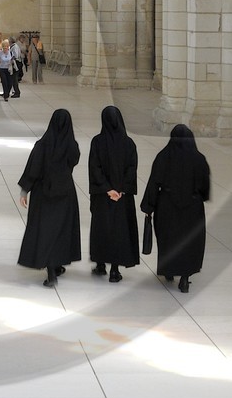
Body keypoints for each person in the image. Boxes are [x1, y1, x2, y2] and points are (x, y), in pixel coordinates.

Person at [141, 124, 212, 293]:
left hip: (167, 206)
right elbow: (205, 186)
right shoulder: (199, 159)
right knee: (189, 241)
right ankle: (185, 278)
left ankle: (170, 270)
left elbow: (154, 183)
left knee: (169, 239)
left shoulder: (163, 157)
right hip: (192, 208)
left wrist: (149, 206)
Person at [17, 109, 82, 287]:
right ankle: (58, 264)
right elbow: (74, 161)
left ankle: (51, 270)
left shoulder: (42, 145)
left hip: (43, 194)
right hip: (65, 193)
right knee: (61, 229)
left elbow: (33, 170)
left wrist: (24, 192)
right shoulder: (72, 146)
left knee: (45, 230)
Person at [87, 106, 139, 282]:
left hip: (103, 196)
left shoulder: (97, 142)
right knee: (119, 230)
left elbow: (95, 168)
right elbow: (132, 169)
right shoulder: (129, 143)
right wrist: (121, 189)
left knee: (102, 229)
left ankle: (101, 263)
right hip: (122, 198)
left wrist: (107, 189)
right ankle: (115, 270)